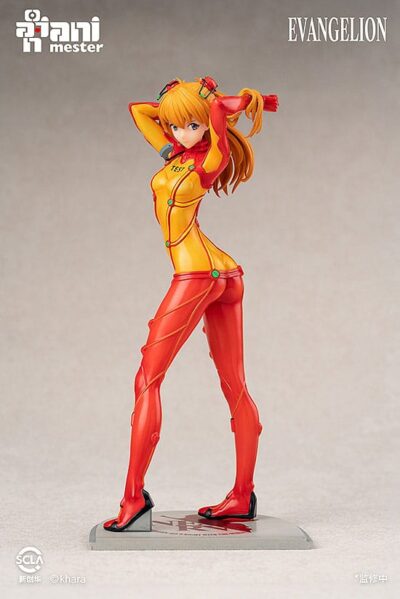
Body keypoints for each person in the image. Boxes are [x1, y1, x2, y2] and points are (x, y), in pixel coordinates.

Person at [104, 77, 278, 531]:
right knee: (233, 386)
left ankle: (133, 498)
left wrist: (218, 107)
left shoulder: (208, 162)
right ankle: (241, 497)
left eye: (192, 125)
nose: (182, 133)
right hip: (223, 272)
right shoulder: (176, 154)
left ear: (209, 125)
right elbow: (138, 110)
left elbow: (213, 129)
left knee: (148, 380)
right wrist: (184, 102)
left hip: (198, 274)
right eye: (176, 126)